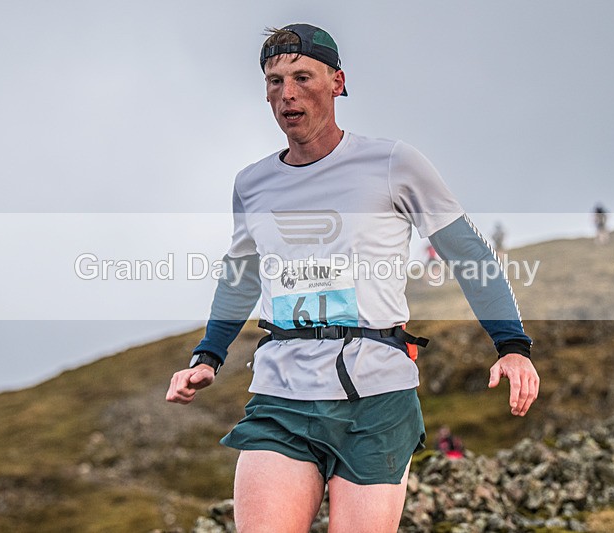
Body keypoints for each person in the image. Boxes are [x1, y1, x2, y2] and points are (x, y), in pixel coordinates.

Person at [166, 23, 539, 533]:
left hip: (377, 397)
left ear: (338, 82)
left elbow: (469, 253)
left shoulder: (393, 163)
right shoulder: (252, 184)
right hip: (282, 394)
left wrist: (511, 345)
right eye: (274, 81)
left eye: (303, 76)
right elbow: (241, 275)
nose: (287, 93)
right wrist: (207, 356)